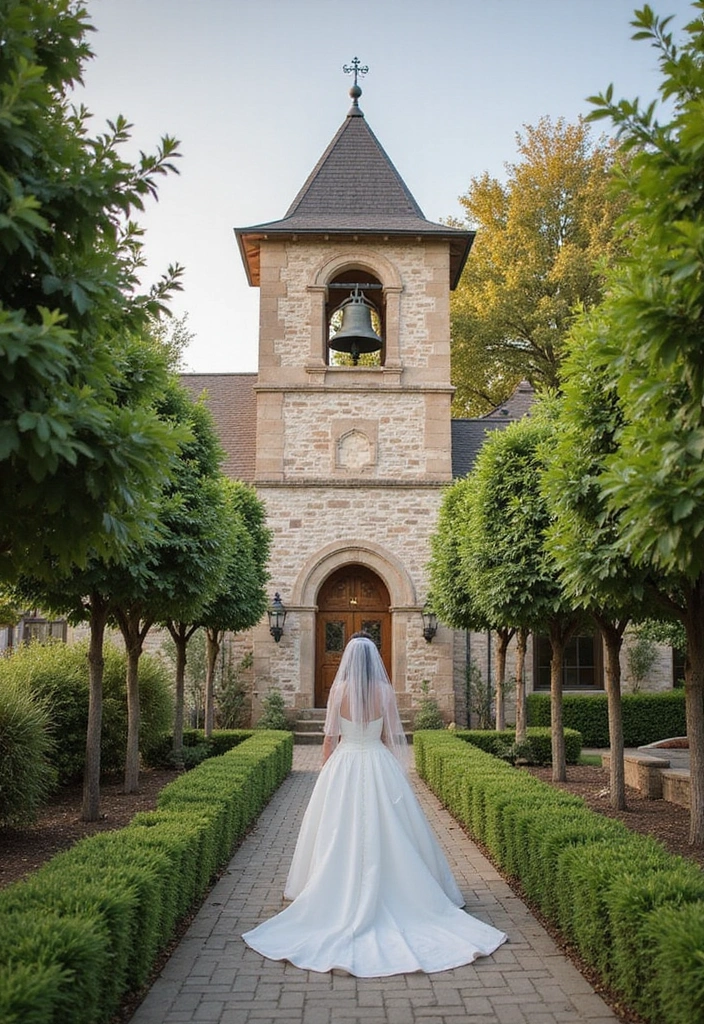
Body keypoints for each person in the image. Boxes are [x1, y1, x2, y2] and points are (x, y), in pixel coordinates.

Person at [242, 633, 507, 976]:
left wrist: (325, 772)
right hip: (377, 761)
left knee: (338, 828)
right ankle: (404, 891)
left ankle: (332, 889)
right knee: (392, 828)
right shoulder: (384, 692)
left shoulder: (338, 691)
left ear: (349, 661)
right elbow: (388, 736)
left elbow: (330, 739)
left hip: (346, 762)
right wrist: (394, 768)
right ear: (374, 662)